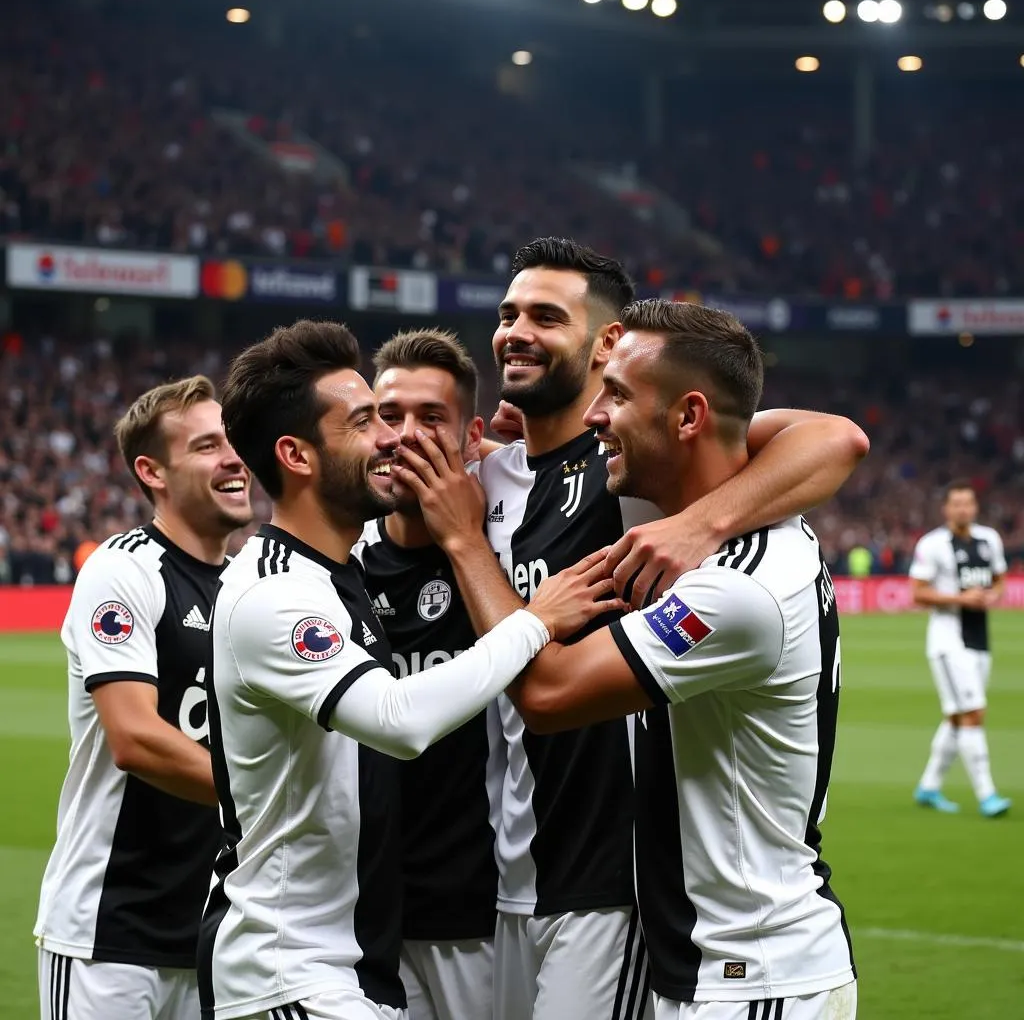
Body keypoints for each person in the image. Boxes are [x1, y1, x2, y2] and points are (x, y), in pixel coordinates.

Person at [394, 239, 868, 1020]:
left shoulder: (638, 480)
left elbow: (835, 438)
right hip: (510, 879)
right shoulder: (498, 474)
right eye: (508, 313)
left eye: (548, 317)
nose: (517, 331)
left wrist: (697, 524)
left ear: (605, 346)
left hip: (631, 900)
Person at [200, 319, 619, 1020]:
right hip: (289, 972)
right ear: (297, 456)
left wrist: (508, 453)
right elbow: (397, 719)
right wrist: (536, 621)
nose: (392, 440)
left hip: (350, 967)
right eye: (367, 421)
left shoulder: (337, 573)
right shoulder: (276, 593)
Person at [35, 376, 253, 1020]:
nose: (235, 457)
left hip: (211, 931)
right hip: (110, 932)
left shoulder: (249, 586)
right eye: (208, 446)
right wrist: (271, 793)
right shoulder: (123, 568)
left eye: (234, 441)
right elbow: (135, 738)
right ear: (152, 472)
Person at [350, 328, 500, 1020]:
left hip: (484, 916)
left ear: (472, 438)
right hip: (361, 920)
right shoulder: (338, 565)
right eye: (388, 414)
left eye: (431, 418)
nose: (404, 435)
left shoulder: (506, 543)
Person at [910, 481, 1011, 817]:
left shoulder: (989, 540)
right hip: (948, 640)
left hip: (980, 639)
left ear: (975, 507)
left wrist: (993, 595)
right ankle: (987, 795)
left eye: (968, 503)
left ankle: (928, 787)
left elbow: (999, 579)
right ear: (946, 509)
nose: (963, 509)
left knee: (956, 717)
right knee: (973, 713)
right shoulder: (933, 544)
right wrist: (960, 598)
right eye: (956, 504)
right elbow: (918, 592)